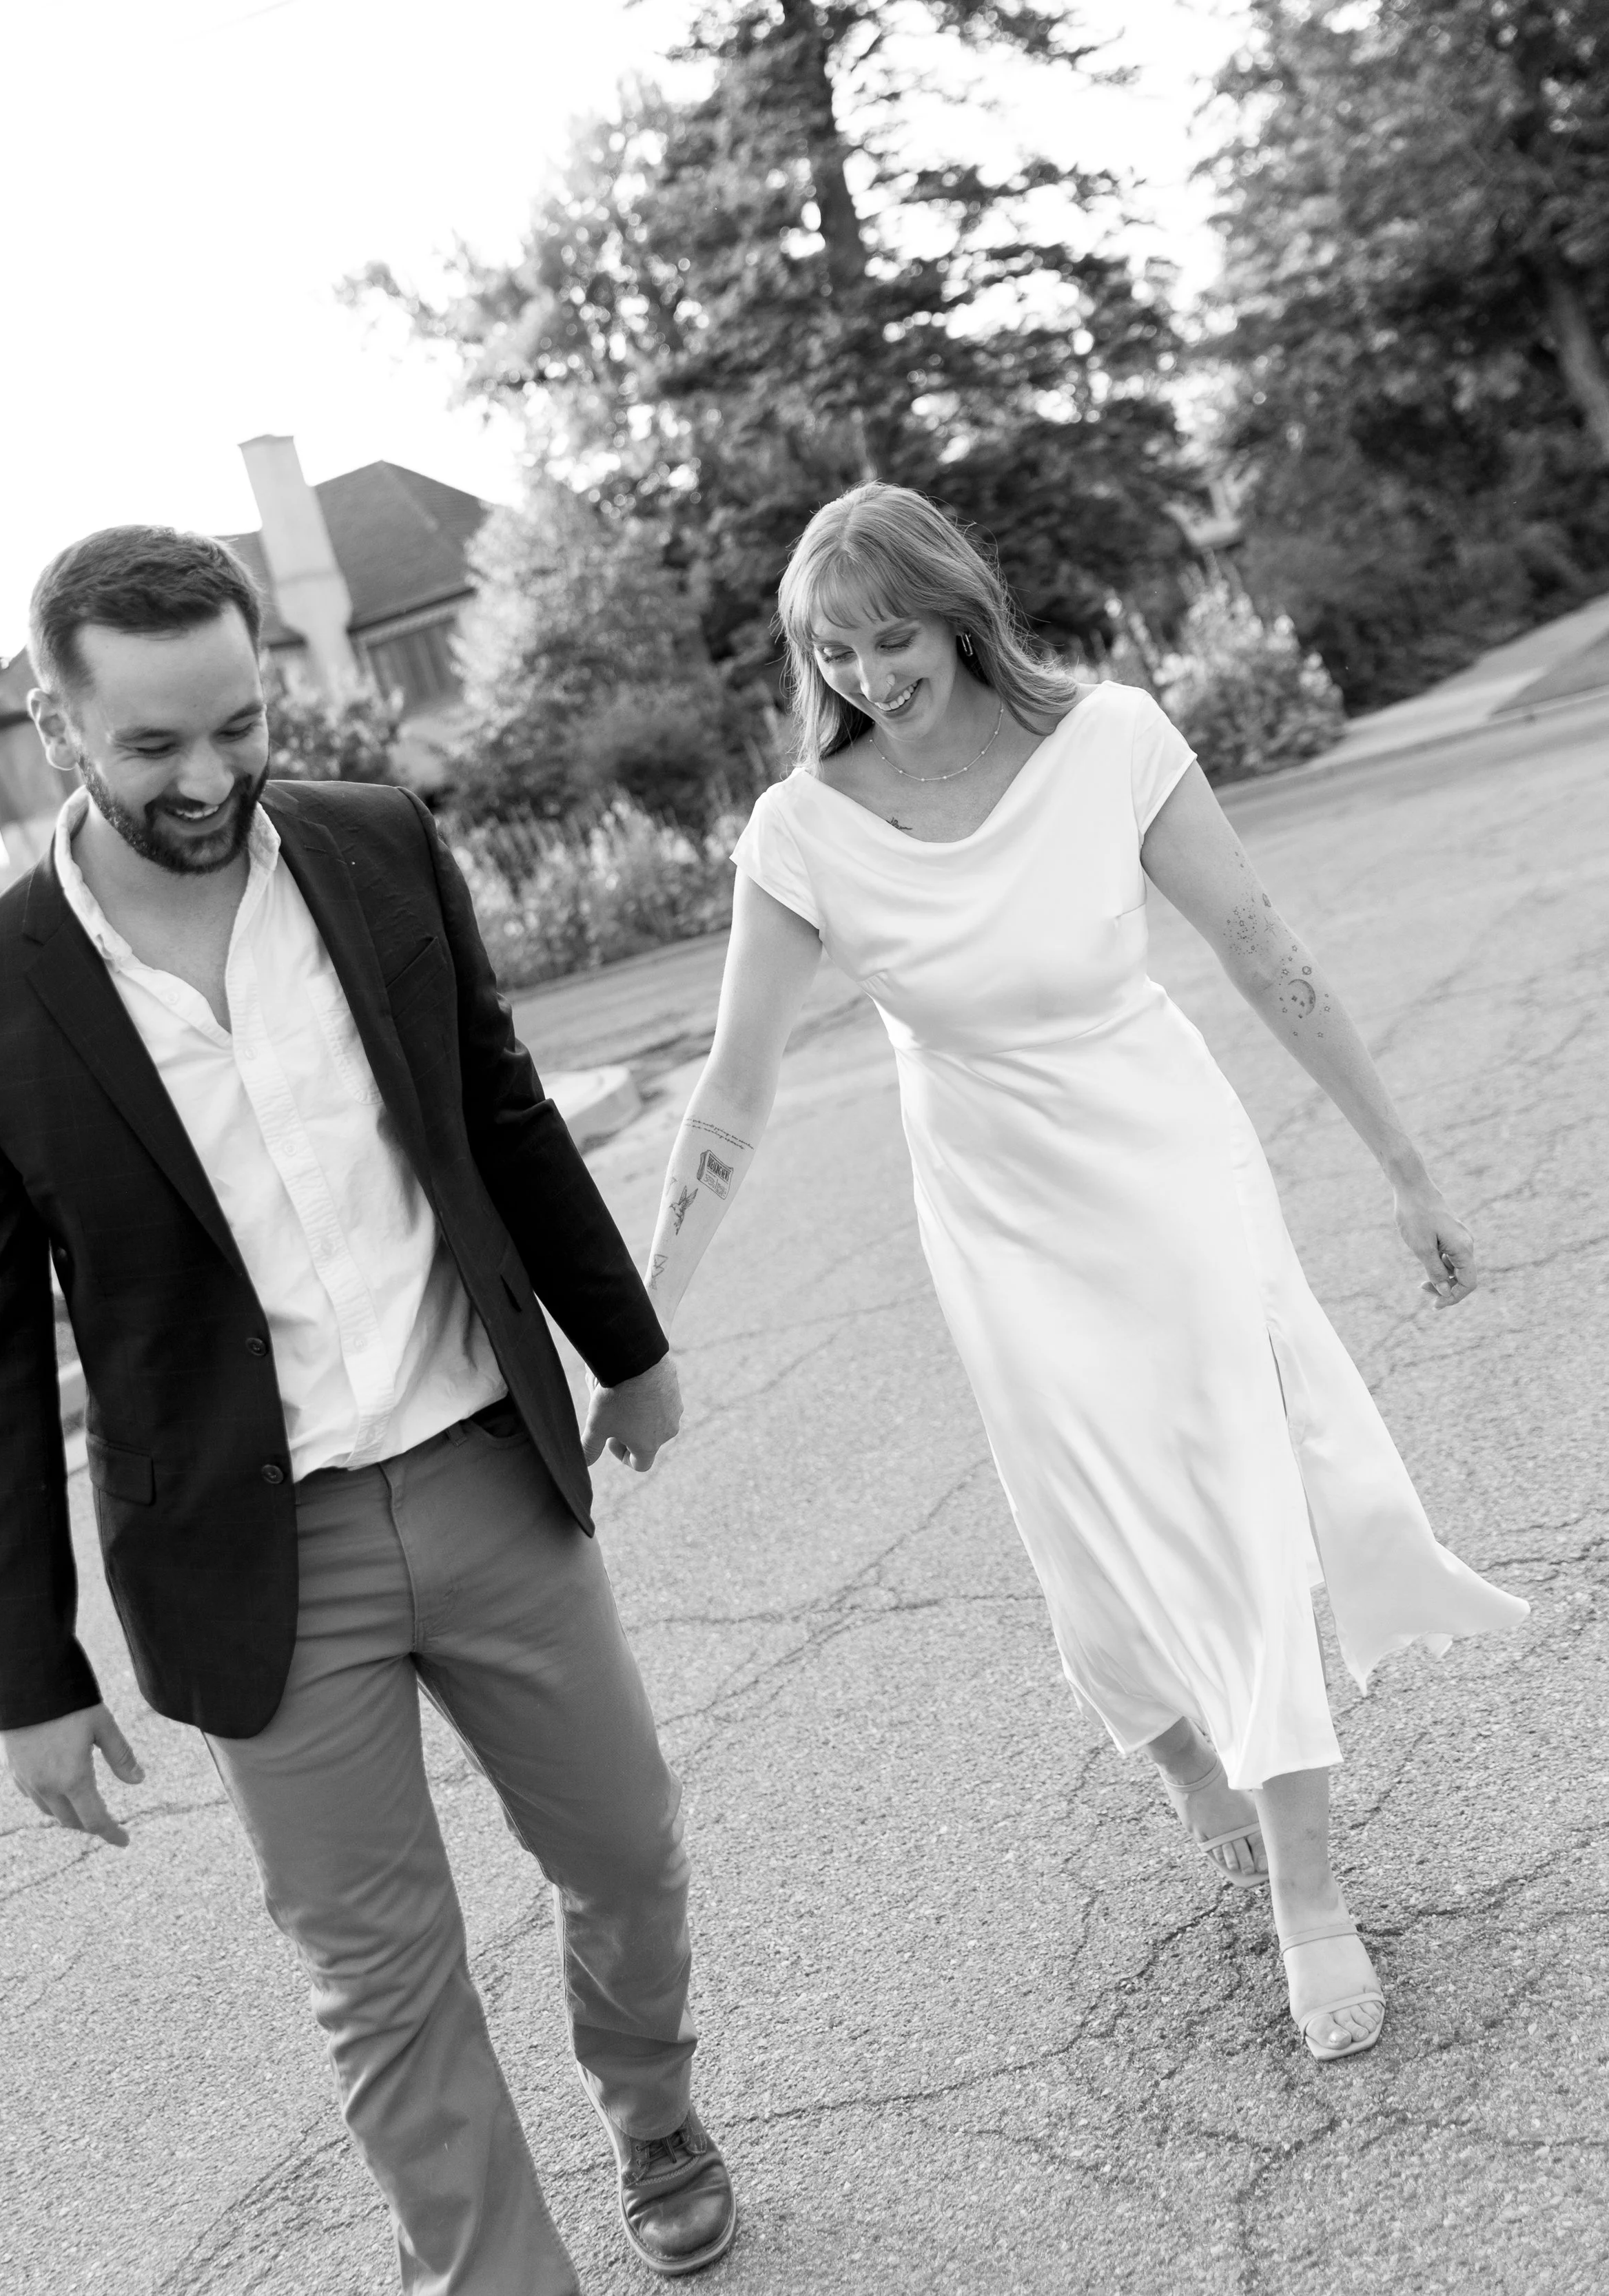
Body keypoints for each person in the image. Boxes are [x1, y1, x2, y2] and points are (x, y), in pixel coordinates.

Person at [0, 526, 736, 2291]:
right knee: (381, 1978)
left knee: (629, 1854)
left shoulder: (372, 847)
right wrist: (29, 1679)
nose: (207, 778)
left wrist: (628, 1346)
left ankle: (647, 2101)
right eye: (151, 747)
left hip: (484, 1471)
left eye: (234, 726)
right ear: (59, 727)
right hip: (254, 1560)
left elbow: (499, 1111)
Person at [642, 482, 1528, 2065]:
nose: (866, 675)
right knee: (1085, 1531)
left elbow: (1266, 949)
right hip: (995, 1222)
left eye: (891, 637)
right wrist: (645, 1325)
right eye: (830, 652)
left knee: (1229, 1500)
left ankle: (1305, 1894)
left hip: (1167, 1173)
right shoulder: (802, 833)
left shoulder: (1109, 742)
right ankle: (1177, 1743)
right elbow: (730, 1094)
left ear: (959, 610)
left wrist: (1406, 1167)